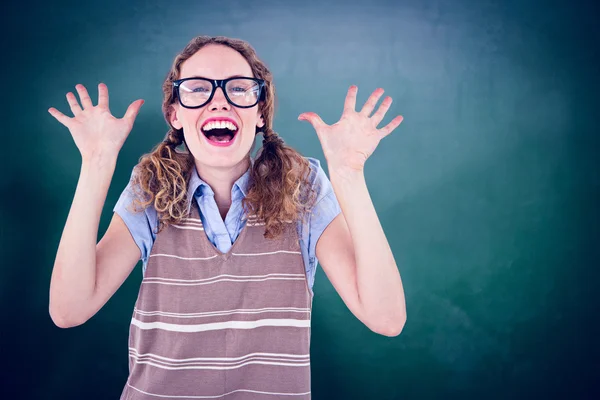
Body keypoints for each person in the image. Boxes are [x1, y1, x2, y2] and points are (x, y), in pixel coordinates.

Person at [48, 35, 407, 399]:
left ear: (260, 111)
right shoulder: (151, 189)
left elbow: (387, 319)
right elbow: (68, 310)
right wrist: (96, 162)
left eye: (238, 88)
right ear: (175, 113)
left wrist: (348, 173)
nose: (219, 101)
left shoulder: (303, 189)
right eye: (197, 89)